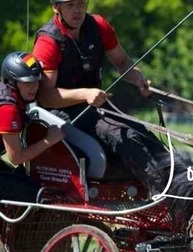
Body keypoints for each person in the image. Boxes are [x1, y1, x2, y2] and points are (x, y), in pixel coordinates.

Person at [32, 0, 167, 195]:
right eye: (70, 5)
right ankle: (162, 192)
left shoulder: (99, 26)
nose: (78, 10)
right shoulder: (48, 41)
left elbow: (122, 62)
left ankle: (177, 177)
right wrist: (85, 94)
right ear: (56, 7)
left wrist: (138, 79)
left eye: (81, 3)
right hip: (61, 112)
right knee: (124, 135)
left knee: (141, 131)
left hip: (95, 105)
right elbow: (45, 97)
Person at [0, 51, 65, 202]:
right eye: (28, 83)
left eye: (36, 81)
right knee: (39, 195)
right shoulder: (7, 109)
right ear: (12, 83)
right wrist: (48, 141)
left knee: (24, 179)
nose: (34, 88)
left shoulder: (9, 93)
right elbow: (16, 158)